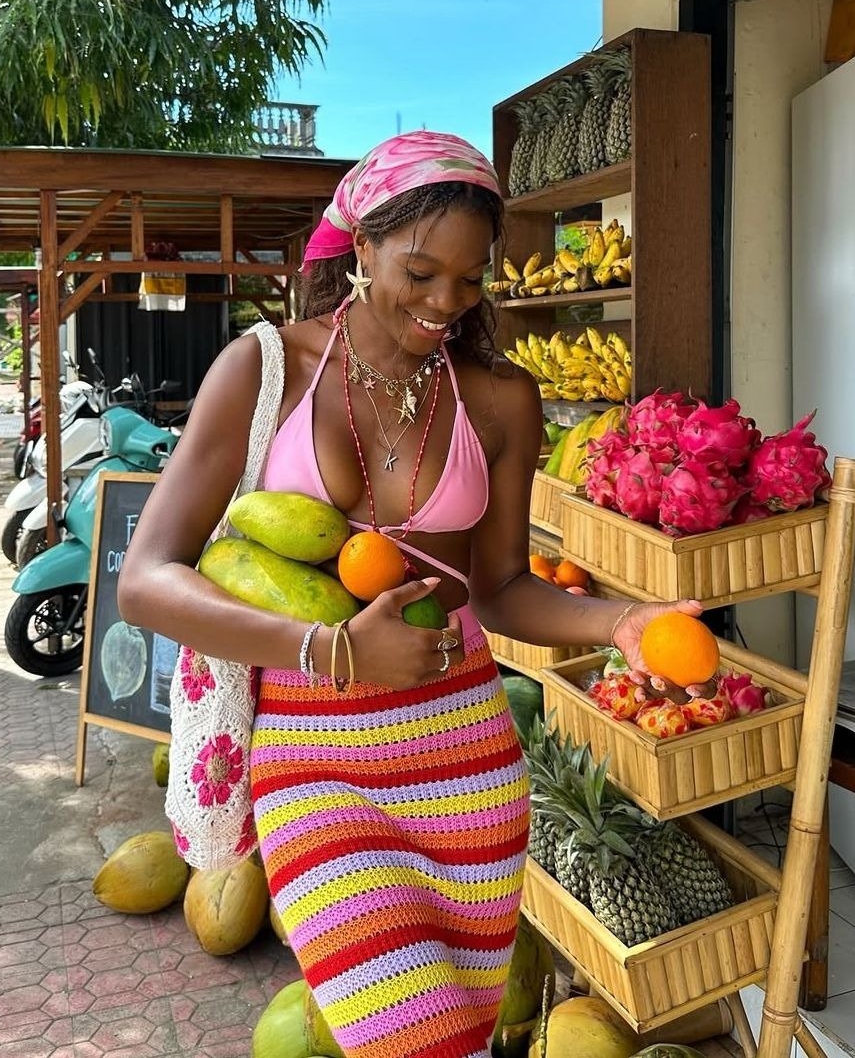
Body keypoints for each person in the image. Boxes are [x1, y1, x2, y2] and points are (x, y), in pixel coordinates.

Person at [118, 130, 702, 1058]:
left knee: (461, 1035)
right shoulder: (264, 369)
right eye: (421, 271)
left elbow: (503, 589)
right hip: (314, 763)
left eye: (469, 282)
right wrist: (329, 648)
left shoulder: (498, 397)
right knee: (410, 1041)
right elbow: (144, 581)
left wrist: (622, 620)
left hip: (466, 763)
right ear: (361, 247)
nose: (444, 303)